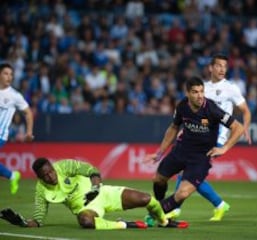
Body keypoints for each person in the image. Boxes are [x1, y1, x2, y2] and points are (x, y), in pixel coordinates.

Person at [144, 76, 244, 226]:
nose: (200, 95)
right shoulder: (182, 106)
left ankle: (157, 213)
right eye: (195, 92)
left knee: (183, 193)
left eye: (202, 91)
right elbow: (173, 127)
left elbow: (238, 127)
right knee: (158, 179)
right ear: (187, 93)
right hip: (181, 150)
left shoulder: (212, 109)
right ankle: (160, 208)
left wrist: (225, 148)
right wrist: (160, 152)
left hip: (200, 157)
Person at [169, 54, 252, 221]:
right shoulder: (203, 88)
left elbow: (245, 111)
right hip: (200, 135)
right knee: (188, 172)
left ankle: (175, 208)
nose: (222, 69)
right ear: (211, 68)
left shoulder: (231, 88)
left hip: (217, 136)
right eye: (219, 65)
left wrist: (246, 128)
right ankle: (219, 205)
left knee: (189, 172)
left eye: (225, 66)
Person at [5, 158, 187, 229]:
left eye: (50, 171)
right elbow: (37, 220)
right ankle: (123, 225)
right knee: (84, 221)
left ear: (53, 167)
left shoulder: (65, 166)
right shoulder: (40, 191)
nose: (50, 176)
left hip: (103, 193)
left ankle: (164, 221)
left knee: (147, 199)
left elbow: (92, 170)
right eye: (45, 176)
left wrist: (95, 188)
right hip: (86, 210)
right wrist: (21, 222)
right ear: (39, 177)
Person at [0, 63, 34, 194]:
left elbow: (28, 113)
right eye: (5, 73)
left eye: (11, 74)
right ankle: (12, 176)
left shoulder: (14, 96)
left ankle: (12, 176)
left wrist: (29, 132)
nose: (9, 77)